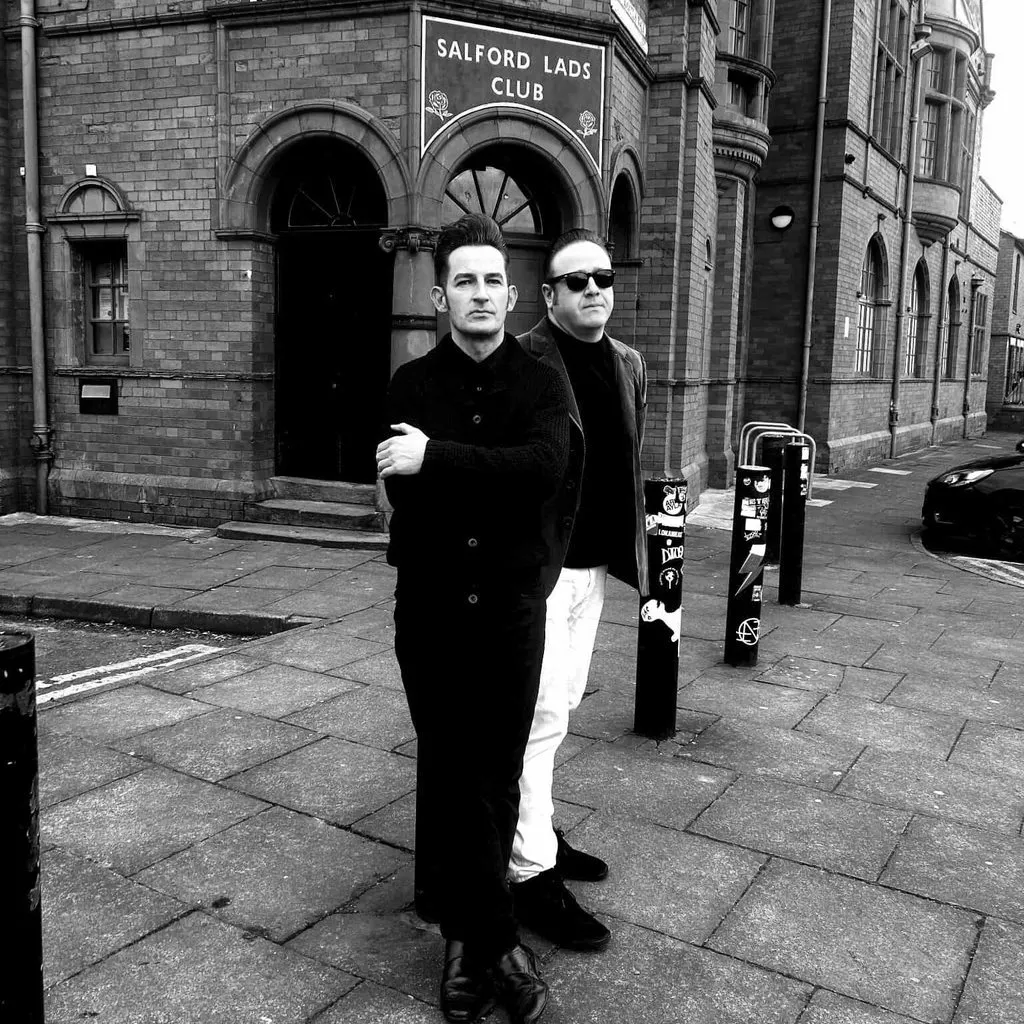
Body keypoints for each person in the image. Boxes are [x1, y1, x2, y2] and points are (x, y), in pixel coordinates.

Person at [376, 213, 571, 1024]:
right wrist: (466, 475)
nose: (481, 293)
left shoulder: (542, 382)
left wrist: (442, 458)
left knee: (489, 771)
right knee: (456, 766)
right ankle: (495, 942)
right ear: (440, 295)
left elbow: (545, 470)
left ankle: (468, 942)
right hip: (430, 611)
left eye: (493, 279)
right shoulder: (409, 387)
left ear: (512, 292)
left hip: (511, 611)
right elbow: (404, 492)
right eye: (465, 280)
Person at [509, 228, 647, 952]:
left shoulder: (627, 362)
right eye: (576, 281)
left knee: (558, 708)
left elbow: (624, 461)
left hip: (592, 567)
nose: (594, 288)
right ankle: (529, 872)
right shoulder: (523, 358)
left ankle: (535, 833)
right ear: (549, 294)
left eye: (601, 276)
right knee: (535, 717)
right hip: (538, 569)